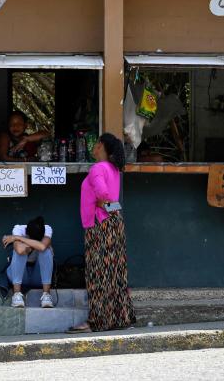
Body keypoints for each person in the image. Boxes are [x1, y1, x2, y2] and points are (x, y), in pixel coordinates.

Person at [68, 133, 135, 333]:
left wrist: (103, 204)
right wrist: (110, 207)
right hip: (114, 222)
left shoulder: (97, 168)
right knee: (114, 273)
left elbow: (103, 194)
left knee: (98, 275)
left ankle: (96, 321)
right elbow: (114, 202)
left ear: (102, 147)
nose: (94, 147)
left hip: (100, 226)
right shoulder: (114, 169)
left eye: (97, 144)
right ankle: (118, 318)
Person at [1, 216, 54, 308]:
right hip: (18, 275)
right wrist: (34, 244)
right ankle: (17, 295)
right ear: (26, 232)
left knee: (46, 250)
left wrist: (19, 238)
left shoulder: (47, 228)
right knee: (19, 252)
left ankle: (46, 295)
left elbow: (42, 247)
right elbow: (20, 250)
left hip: (38, 277)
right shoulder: (18, 229)